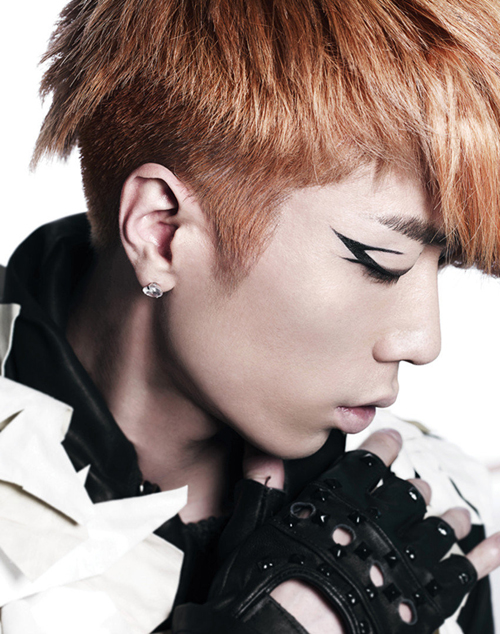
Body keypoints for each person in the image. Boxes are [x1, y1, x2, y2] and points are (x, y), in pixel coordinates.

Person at [0, 0, 499, 632]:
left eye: (441, 264)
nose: (425, 340)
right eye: (381, 261)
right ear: (160, 233)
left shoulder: (434, 526)